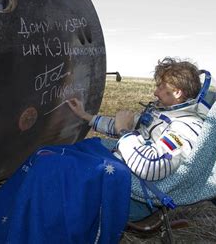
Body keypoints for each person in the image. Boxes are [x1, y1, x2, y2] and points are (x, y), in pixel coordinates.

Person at [67, 57, 206, 220]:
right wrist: (86, 116)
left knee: (66, 180)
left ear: (177, 92)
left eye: (161, 87)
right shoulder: (166, 113)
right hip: (127, 178)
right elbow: (122, 126)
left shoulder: (186, 127)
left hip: (136, 198)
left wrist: (125, 132)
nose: (155, 92)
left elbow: (151, 166)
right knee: (71, 155)